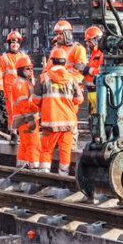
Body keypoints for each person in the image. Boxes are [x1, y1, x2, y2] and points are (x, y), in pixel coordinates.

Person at [35, 46, 83, 174]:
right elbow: (79, 99)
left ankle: (44, 174)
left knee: (46, 149)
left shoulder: (43, 78)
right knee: (65, 150)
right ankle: (63, 175)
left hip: (50, 121)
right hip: (68, 122)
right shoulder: (72, 78)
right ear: (65, 62)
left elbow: (35, 100)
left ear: (52, 61)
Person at [0, 30, 29, 140]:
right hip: (9, 88)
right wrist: (0, 89)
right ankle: (13, 133)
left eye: (17, 43)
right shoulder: (3, 57)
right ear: (9, 44)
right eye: (13, 43)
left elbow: (30, 73)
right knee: (12, 111)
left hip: (22, 88)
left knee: (24, 110)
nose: (15, 45)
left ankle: (22, 132)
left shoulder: (24, 56)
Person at [12, 56, 41, 170]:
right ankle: (34, 169)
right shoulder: (20, 84)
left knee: (24, 145)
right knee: (33, 144)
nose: (30, 71)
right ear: (20, 70)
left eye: (31, 69)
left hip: (24, 119)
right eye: (27, 69)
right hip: (27, 119)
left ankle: (22, 167)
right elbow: (24, 104)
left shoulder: (25, 82)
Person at [48, 20, 87, 85]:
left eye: (60, 34)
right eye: (57, 34)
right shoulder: (55, 49)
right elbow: (49, 67)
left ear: (67, 34)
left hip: (71, 86)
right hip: (55, 84)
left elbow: (80, 70)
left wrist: (64, 77)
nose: (58, 36)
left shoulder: (78, 48)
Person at [83, 25, 105, 114]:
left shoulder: (101, 54)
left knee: (98, 115)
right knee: (92, 116)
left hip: (97, 91)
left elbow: (101, 72)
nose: (88, 44)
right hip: (91, 91)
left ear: (96, 40)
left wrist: (88, 69)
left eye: (89, 42)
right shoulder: (93, 54)